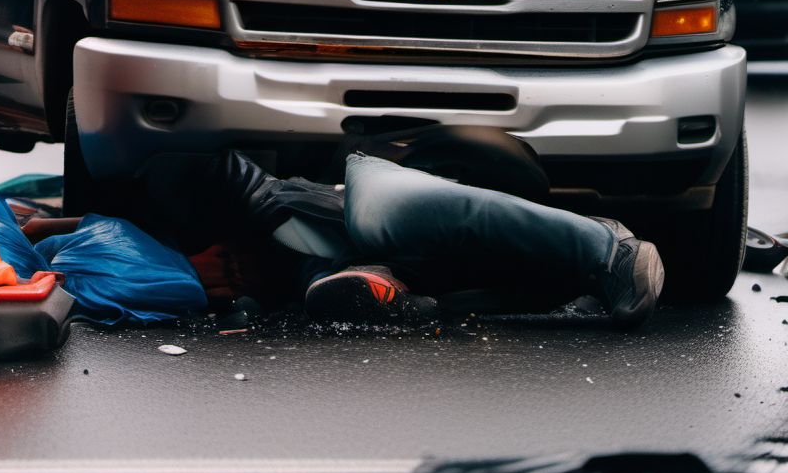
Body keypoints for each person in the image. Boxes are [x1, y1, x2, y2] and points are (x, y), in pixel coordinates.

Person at [98, 127, 665, 329]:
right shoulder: (125, 263)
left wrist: (201, 248)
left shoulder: (182, 185)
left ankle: (610, 250)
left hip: (335, 206)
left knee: (383, 215)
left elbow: (224, 179)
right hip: (316, 263)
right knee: (322, 286)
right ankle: (381, 286)